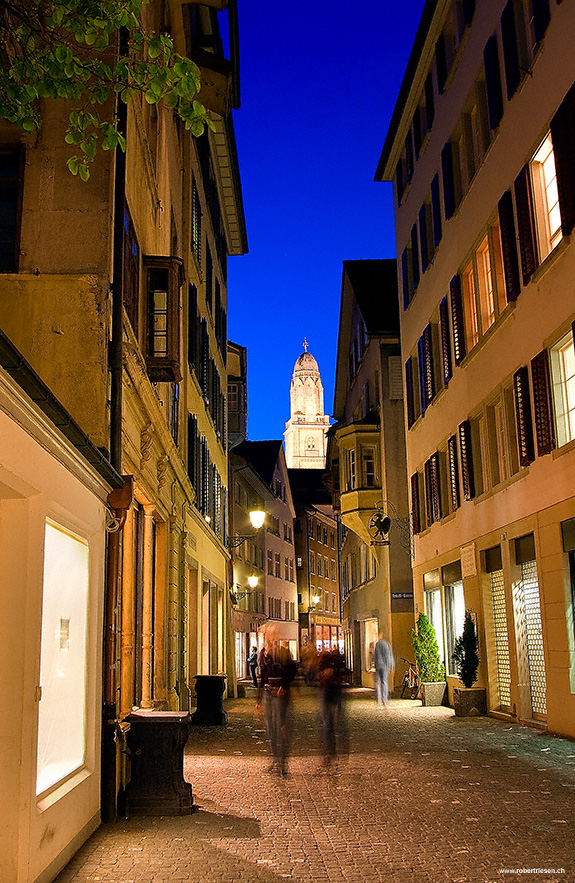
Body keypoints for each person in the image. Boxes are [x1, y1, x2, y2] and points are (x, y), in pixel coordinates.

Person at [317, 647, 349, 768]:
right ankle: (330, 751)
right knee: (328, 723)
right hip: (326, 692)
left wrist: (334, 673)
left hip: (334, 692)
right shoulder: (323, 660)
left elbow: (344, 672)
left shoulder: (337, 659)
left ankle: (336, 750)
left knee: (337, 722)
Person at [374, 633, 394, 707]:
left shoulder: (377, 644)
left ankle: (379, 700)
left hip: (378, 666)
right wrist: (391, 666)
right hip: (385, 666)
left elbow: (375, 656)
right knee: (384, 682)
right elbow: (388, 656)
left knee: (378, 683)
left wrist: (375, 665)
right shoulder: (387, 644)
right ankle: (384, 699)